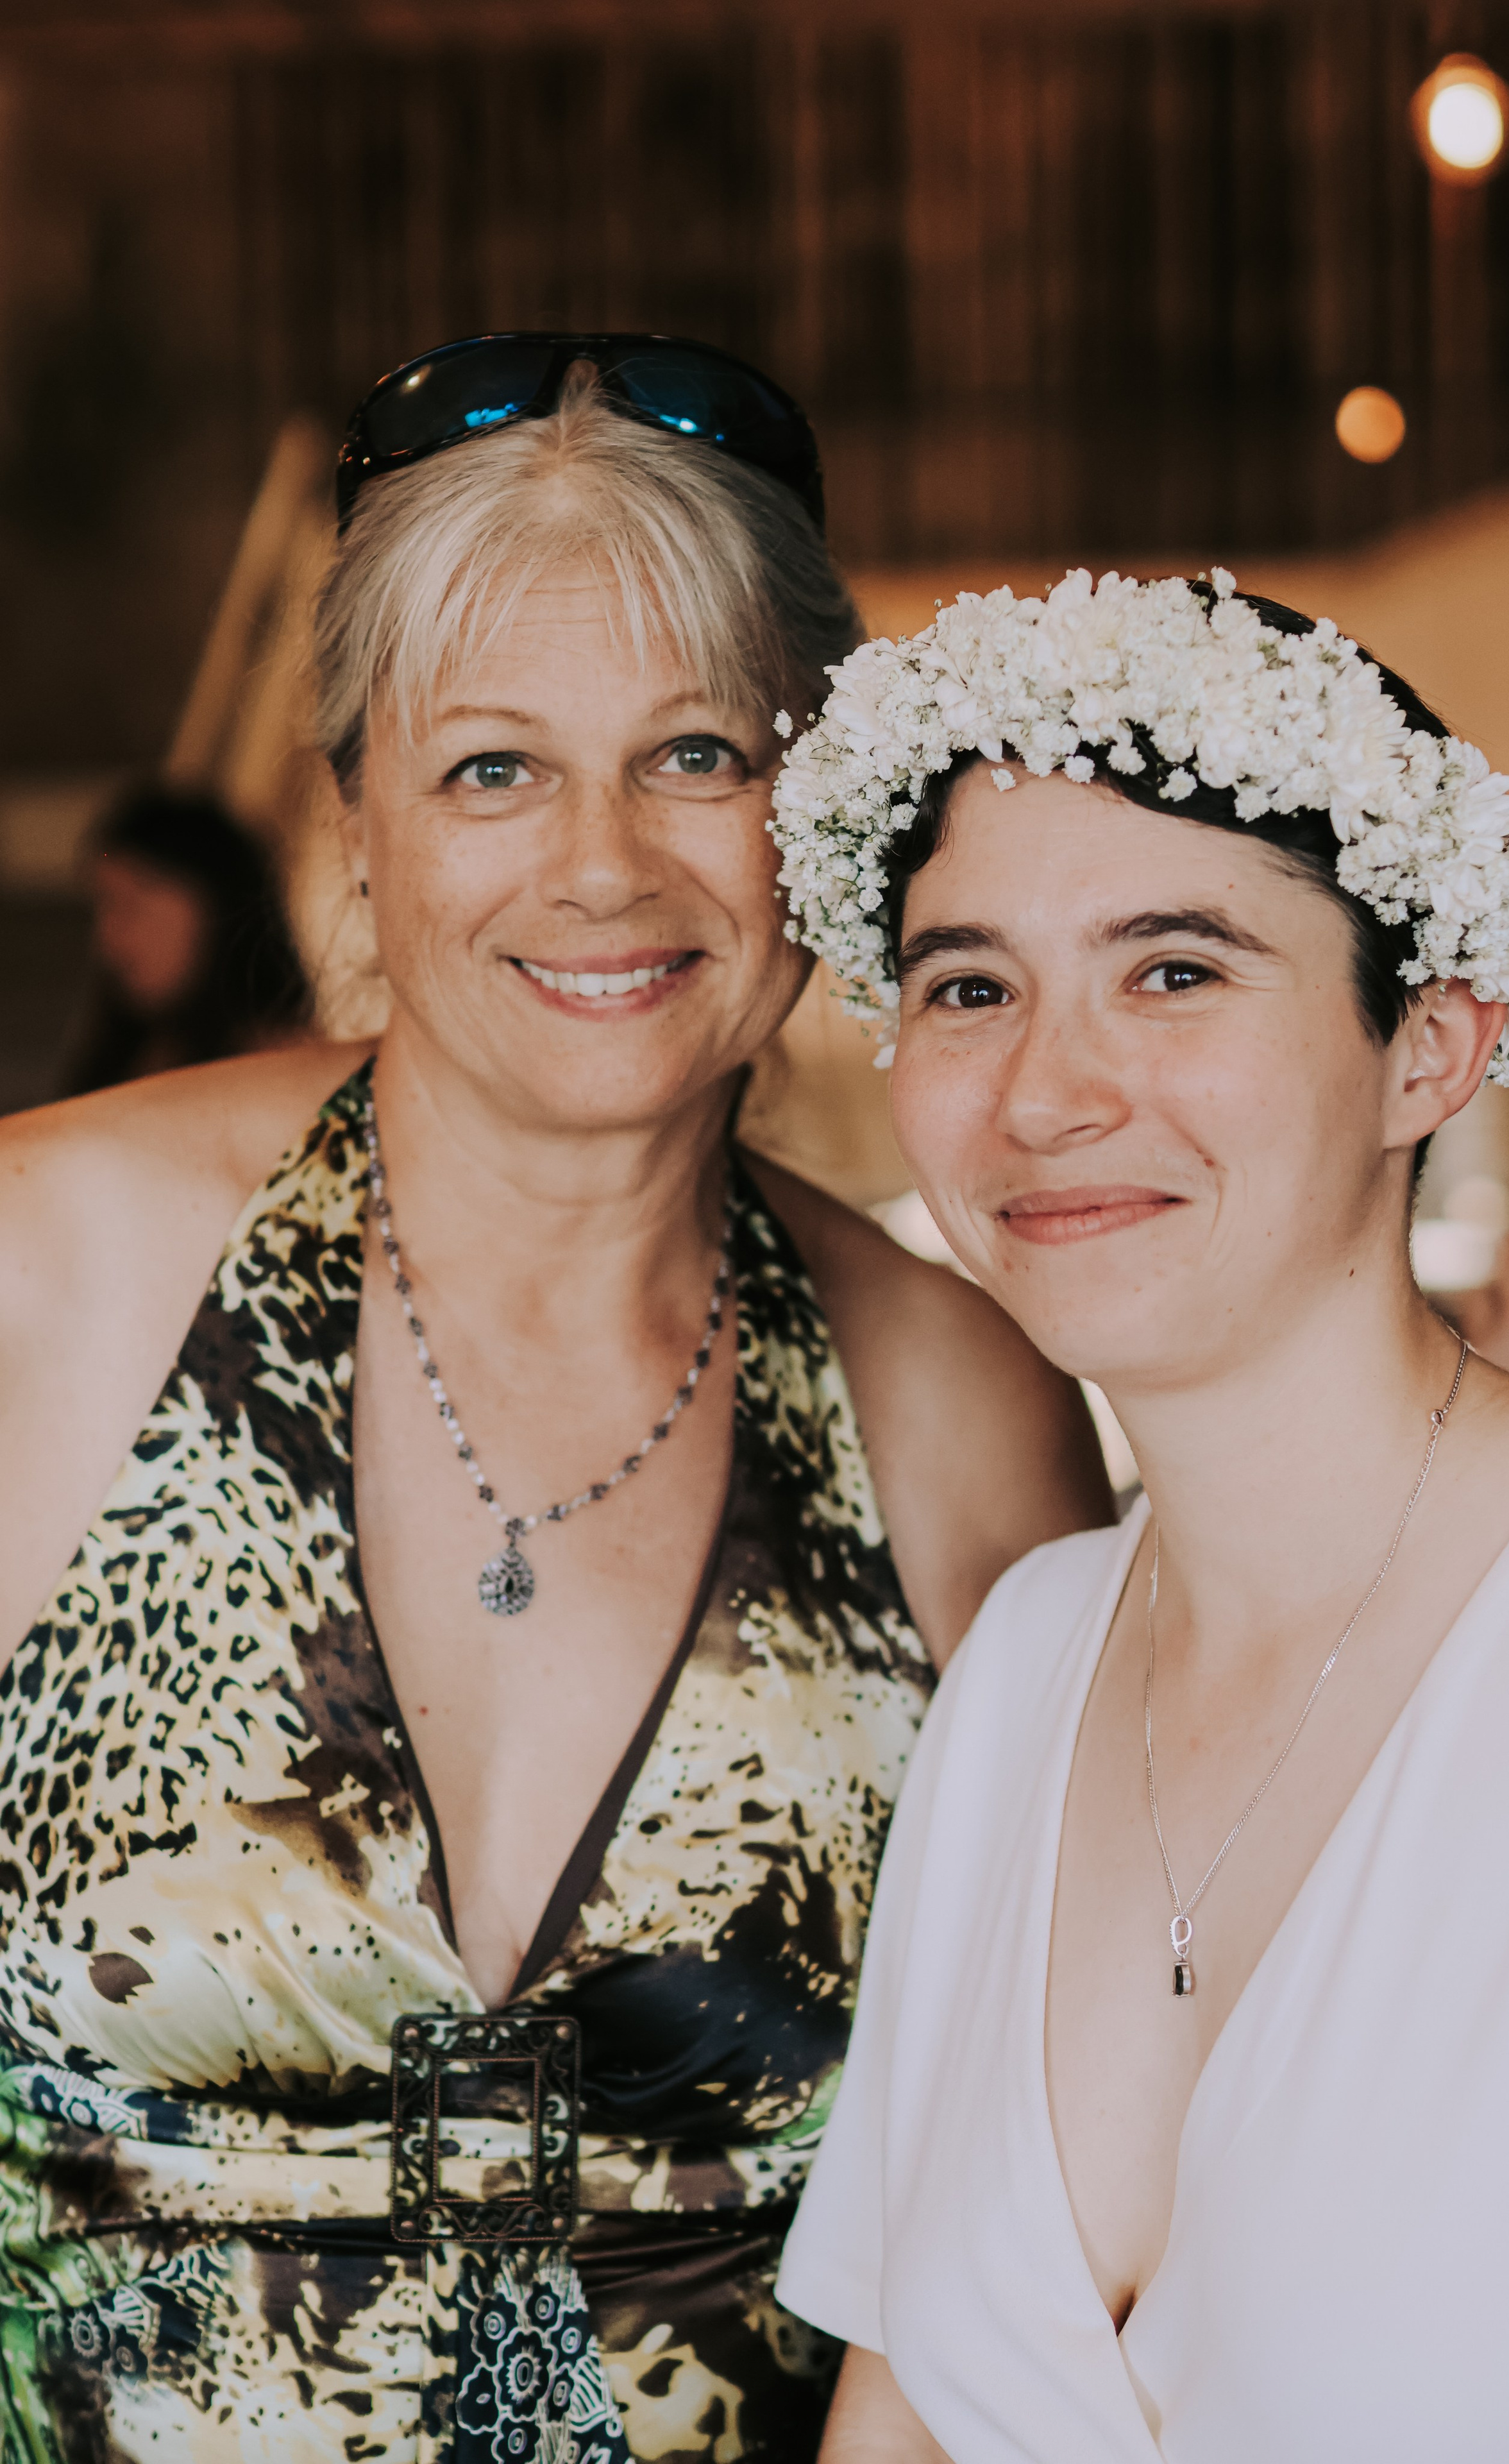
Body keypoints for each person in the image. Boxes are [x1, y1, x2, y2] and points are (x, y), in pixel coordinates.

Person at [0, 341, 1109, 2464]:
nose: (604, 866)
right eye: (494, 768)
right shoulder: (45, 1280)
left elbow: (1026, 2232)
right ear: (356, 823)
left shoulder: (959, 1401)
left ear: (818, 816)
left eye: (696, 754)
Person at [768, 570, 1509, 2463]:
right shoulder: (1022, 1662)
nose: (1043, 1093)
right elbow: (892, 2419)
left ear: (1429, 1045)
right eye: (968, 985)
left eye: (1172, 968)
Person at [63, 781, 311, 1092]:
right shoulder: (139, 1053)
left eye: (132, 906)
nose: (108, 937)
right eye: (102, 908)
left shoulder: (288, 1067)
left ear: (215, 904)